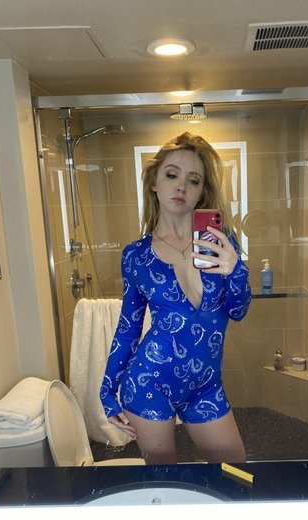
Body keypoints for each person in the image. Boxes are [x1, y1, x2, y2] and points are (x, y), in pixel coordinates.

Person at [99, 131, 251, 464]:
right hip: (148, 382)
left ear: (201, 192)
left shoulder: (220, 242)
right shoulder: (136, 256)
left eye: (193, 180)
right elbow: (128, 328)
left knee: (236, 473)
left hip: (207, 386)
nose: (181, 186)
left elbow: (238, 311)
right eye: (172, 175)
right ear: (154, 182)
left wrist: (236, 269)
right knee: (164, 479)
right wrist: (107, 390)